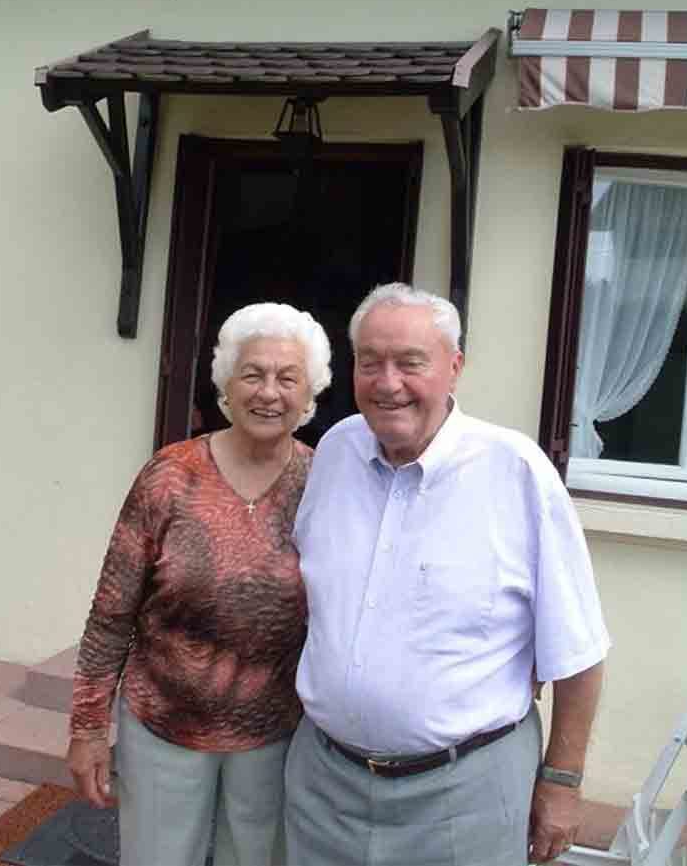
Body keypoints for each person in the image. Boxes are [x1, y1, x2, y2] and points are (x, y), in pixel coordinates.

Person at [286, 282, 610, 866]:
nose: (388, 383)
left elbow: (579, 653)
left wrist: (562, 782)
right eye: (370, 362)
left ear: (454, 368)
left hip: (467, 796)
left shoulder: (516, 472)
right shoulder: (334, 453)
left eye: (410, 363)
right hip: (325, 789)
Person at [68, 302, 331, 866]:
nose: (268, 392)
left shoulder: (327, 483)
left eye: (288, 378)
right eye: (252, 374)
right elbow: (110, 615)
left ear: (309, 395)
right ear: (226, 385)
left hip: (276, 731)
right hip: (163, 721)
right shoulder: (169, 475)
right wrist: (88, 727)